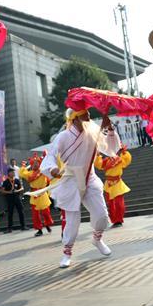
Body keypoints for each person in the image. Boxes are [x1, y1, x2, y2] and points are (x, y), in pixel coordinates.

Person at [40, 109, 118, 268]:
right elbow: (51, 156)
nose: (89, 118)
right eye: (85, 115)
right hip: (71, 180)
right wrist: (53, 169)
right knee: (72, 222)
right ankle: (67, 252)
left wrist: (109, 130)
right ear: (75, 119)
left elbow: (111, 149)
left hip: (89, 178)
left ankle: (97, 238)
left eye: (89, 115)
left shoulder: (93, 132)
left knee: (101, 215)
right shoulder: (63, 136)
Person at [95, 145, 132, 227]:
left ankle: (119, 220)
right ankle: (114, 220)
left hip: (117, 183)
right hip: (108, 184)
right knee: (111, 203)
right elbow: (99, 165)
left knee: (119, 203)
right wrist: (97, 155)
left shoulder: (119, 159)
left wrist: (124, 152)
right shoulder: (106, 161)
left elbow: (127, 160)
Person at [20, 154, 54, 236]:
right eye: (34, 163)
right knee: (35, 214)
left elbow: (50, 171)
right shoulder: (29, 173)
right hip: (34, 195)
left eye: (37, 162)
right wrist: (23, 165)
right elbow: (22, 173)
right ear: (31, 164)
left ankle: (47, 224)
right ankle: (39, 229)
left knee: (46, 212)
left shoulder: (43, 171)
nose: (36, 164)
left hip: (42, 193)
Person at [0, 168, 26, 233]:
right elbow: (2, 191)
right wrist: (9, 192)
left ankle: (23, 226)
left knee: (21, 211)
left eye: (13, 172)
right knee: (10, 213)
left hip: (17, 198)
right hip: (10, 199)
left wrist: (17, 190)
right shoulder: (6, 181)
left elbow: (22, 188)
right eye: (12, 172)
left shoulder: (17, 180)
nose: (13, 173)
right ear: (8, 173)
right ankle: (9, 228)